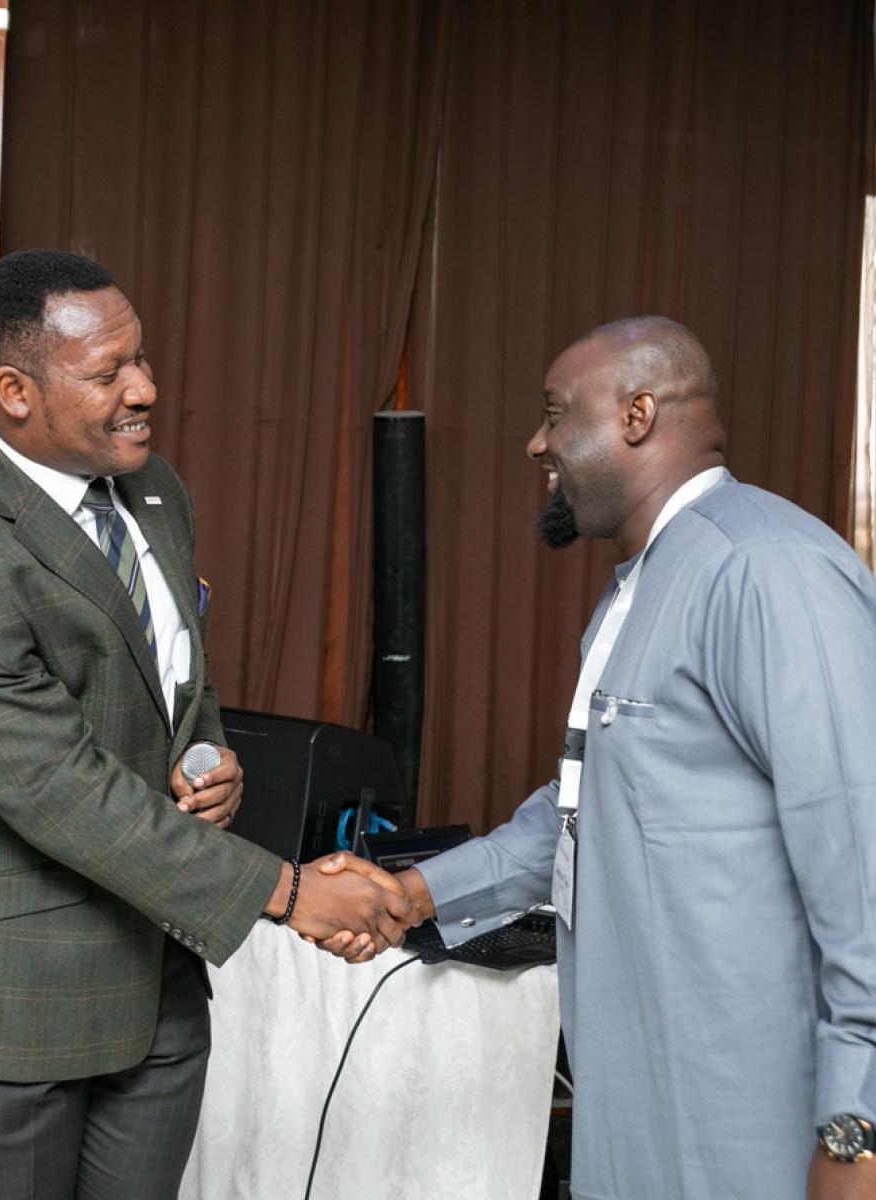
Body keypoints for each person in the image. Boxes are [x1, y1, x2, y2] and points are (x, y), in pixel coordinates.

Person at [0, 249, 411, 1200]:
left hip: (156, 980)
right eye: (108, 372)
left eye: (143, 359)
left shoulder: (153, 489)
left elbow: (172, 680)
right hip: (11, 1001)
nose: (145, 388)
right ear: (15, 392)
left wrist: (210, 763)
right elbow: (59, 791)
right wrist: (285, 893)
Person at [326, 316, 876, 1199]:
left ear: (636, 415)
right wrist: (419, 892)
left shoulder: (767, 570)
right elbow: (592, 804)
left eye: (555, 414)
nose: (538, 442)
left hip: (752, 1106)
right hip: (634, 1091)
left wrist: (857, 1128)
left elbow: (863, 847)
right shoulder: (643, 583)